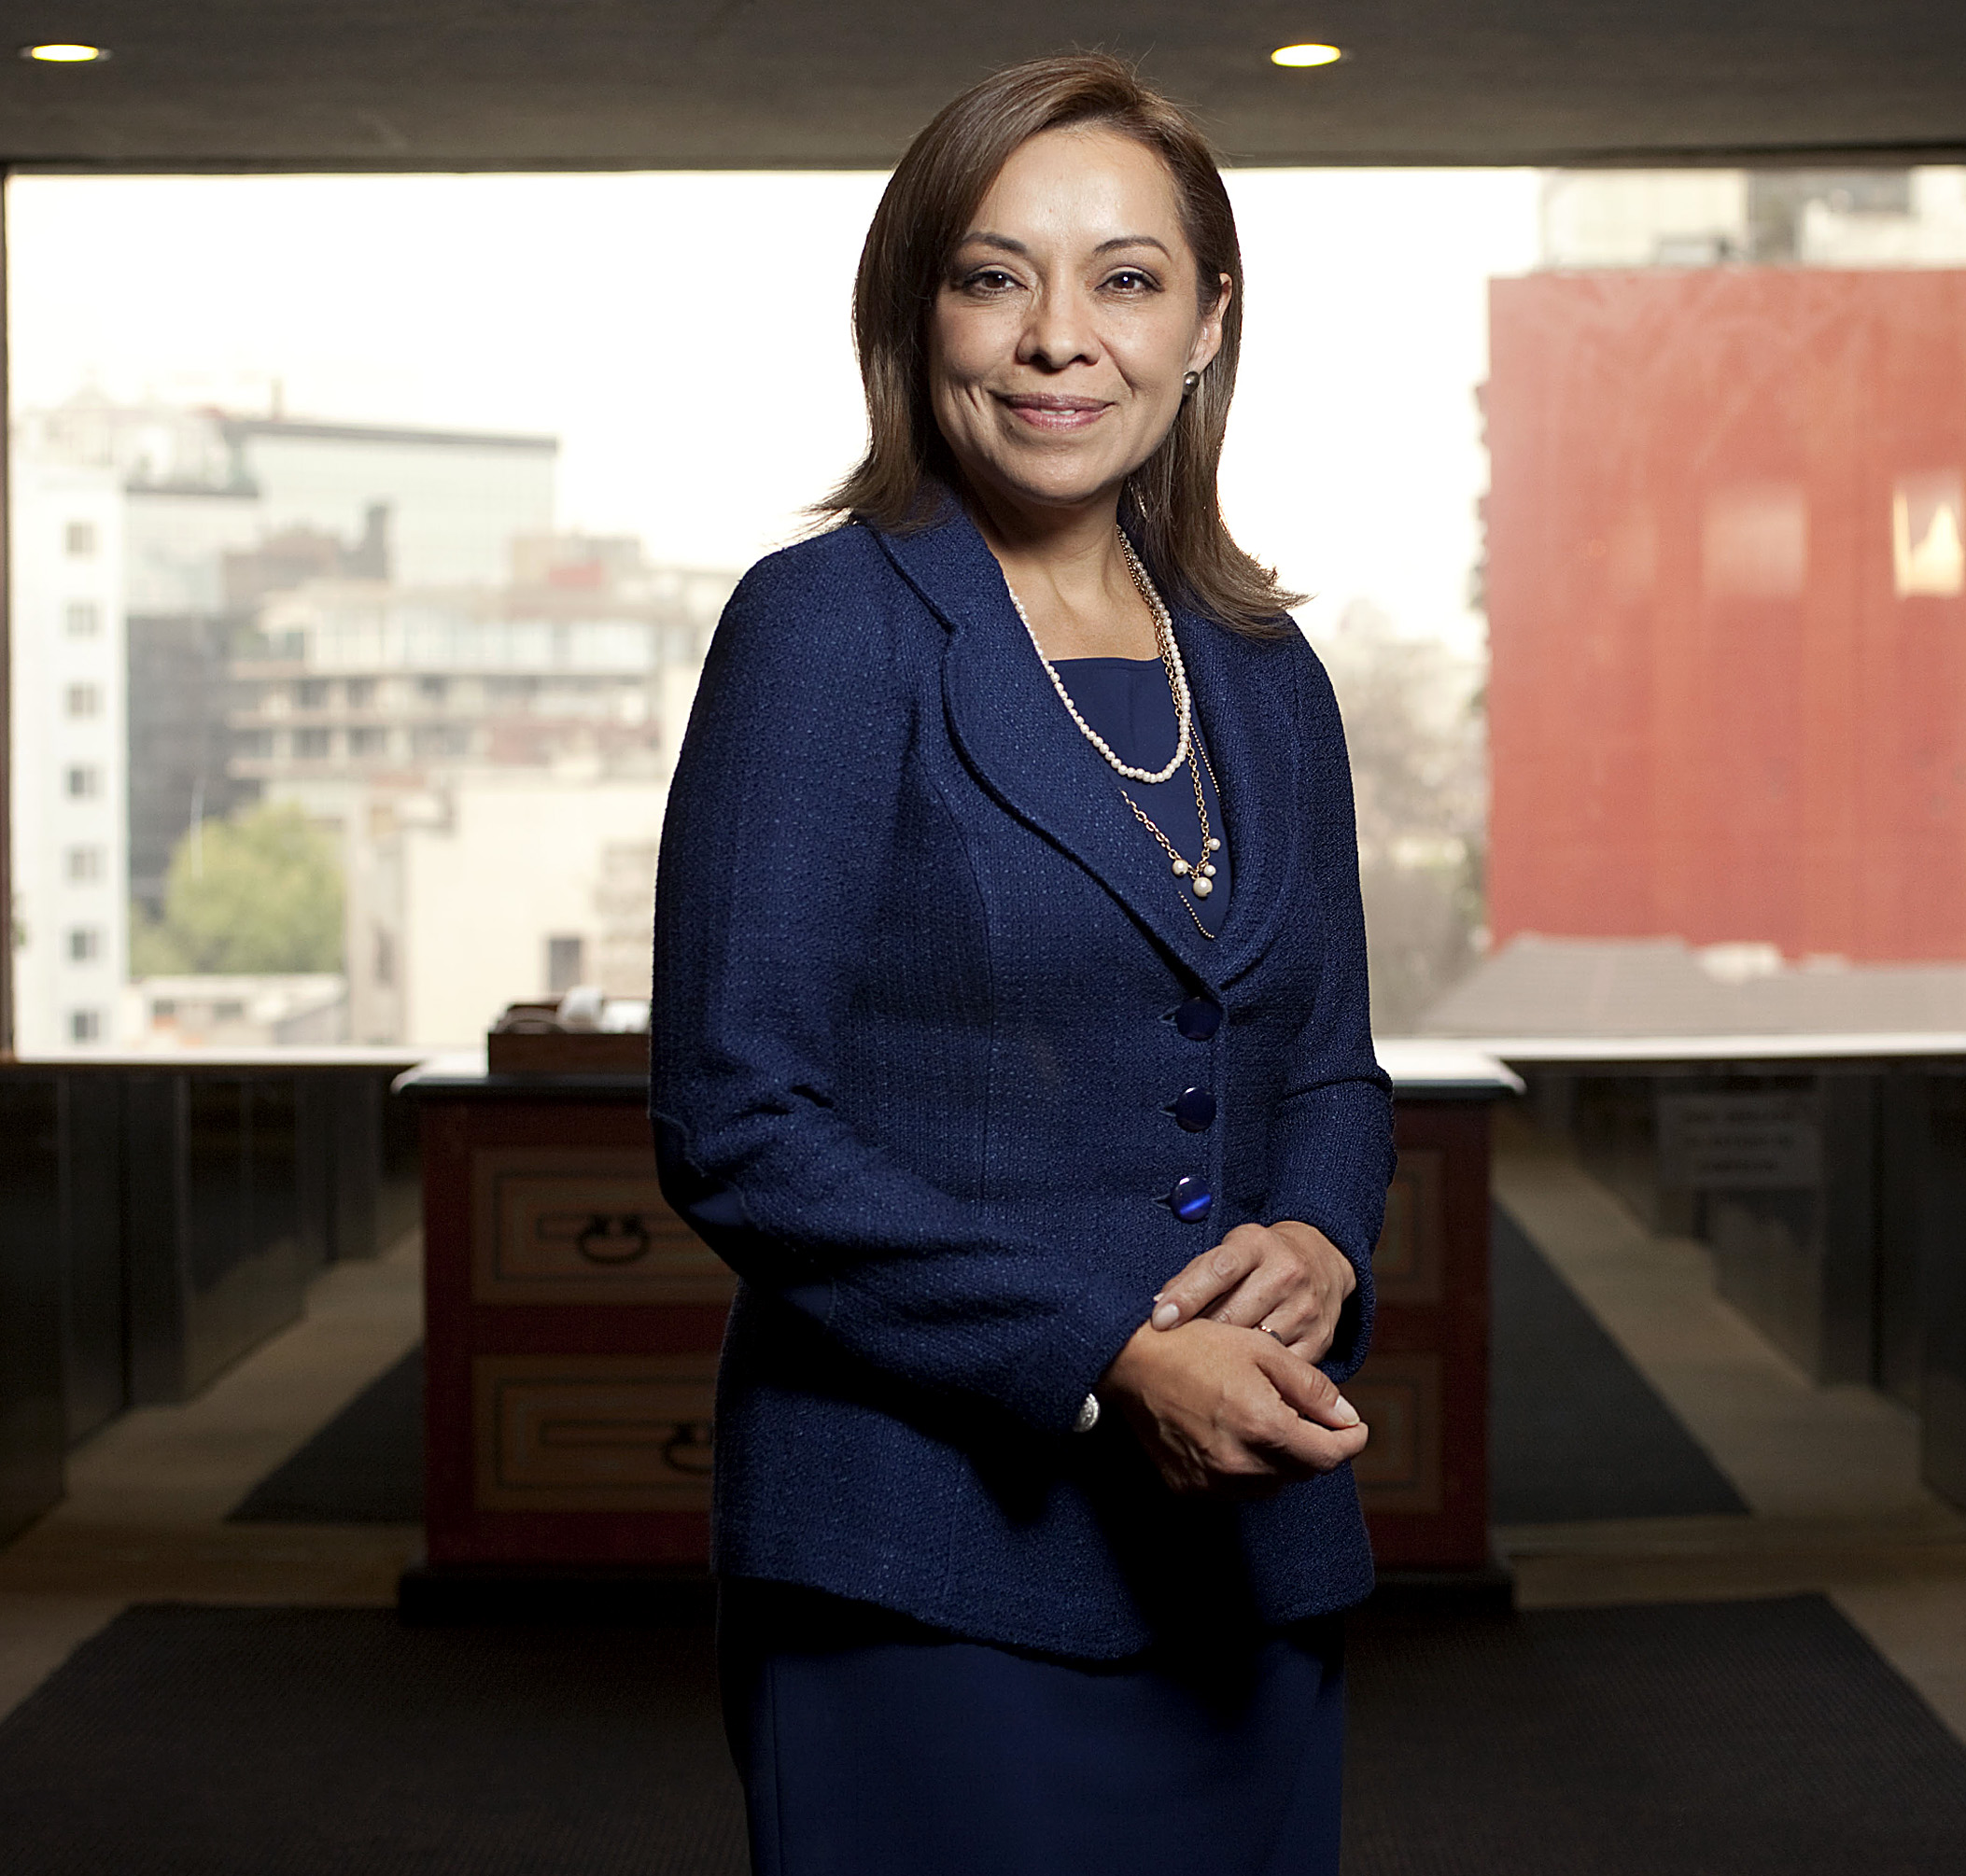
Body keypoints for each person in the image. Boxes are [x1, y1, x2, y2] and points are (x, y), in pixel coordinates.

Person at [651, 50, 1393, 1876]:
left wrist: (1320, 1234)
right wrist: (1114, 1355)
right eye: (997, 277)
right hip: (921, 1551)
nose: (1063, 338)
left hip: (1248, 1551)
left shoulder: (1262, 665)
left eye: (1127, 280)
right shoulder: (828, 624)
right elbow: (739, 1121)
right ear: (919, 316)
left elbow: (1328, 1064)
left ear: (1209, 322)